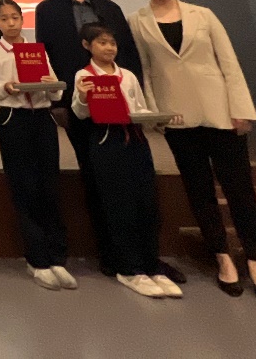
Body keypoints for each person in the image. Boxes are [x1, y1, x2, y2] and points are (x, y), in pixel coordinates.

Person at [129, 0, 256, 305]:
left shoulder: (203, 15)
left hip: (221, 112)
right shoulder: (136, 21)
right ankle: (222, 258)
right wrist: (155, 113)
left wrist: (241, 109)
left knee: (240, 189)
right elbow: (146, 70)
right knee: (198, 191)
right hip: (177, 117)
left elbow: (229, 63)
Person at [33, 0, 173, 281]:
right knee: (95, 176)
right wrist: (57, 102)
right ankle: (111, 254)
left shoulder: (109, 8)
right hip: (78, 102)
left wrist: (139, 98)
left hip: (121, 104)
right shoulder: (47, 10)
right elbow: (44, 54)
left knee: (136, 180)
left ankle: (146, 256)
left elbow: (128, 53)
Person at [72, 23, 183, 299]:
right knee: (119, 205)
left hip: (136, 141)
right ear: (87, 46)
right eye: (102, 43)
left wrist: (156, 118)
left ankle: (151, 265)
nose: (109, 48)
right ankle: (129, 268)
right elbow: (81, 113)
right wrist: (83, 96)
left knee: (146, 202)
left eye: (112, 43)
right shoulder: (84, 76)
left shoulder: (128, 75)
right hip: (107, 142)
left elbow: (140, 107)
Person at [0, 0, 73, 290]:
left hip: (42, 119)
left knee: (49, 183)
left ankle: (57, 258)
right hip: (14, 118)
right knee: (24, 185)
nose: (11, 23)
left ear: (23, 19)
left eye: (15, 17)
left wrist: (49, 84)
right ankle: (37, 260)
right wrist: (4, 87)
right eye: (4, 19)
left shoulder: (37, 50)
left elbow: (56, 91)